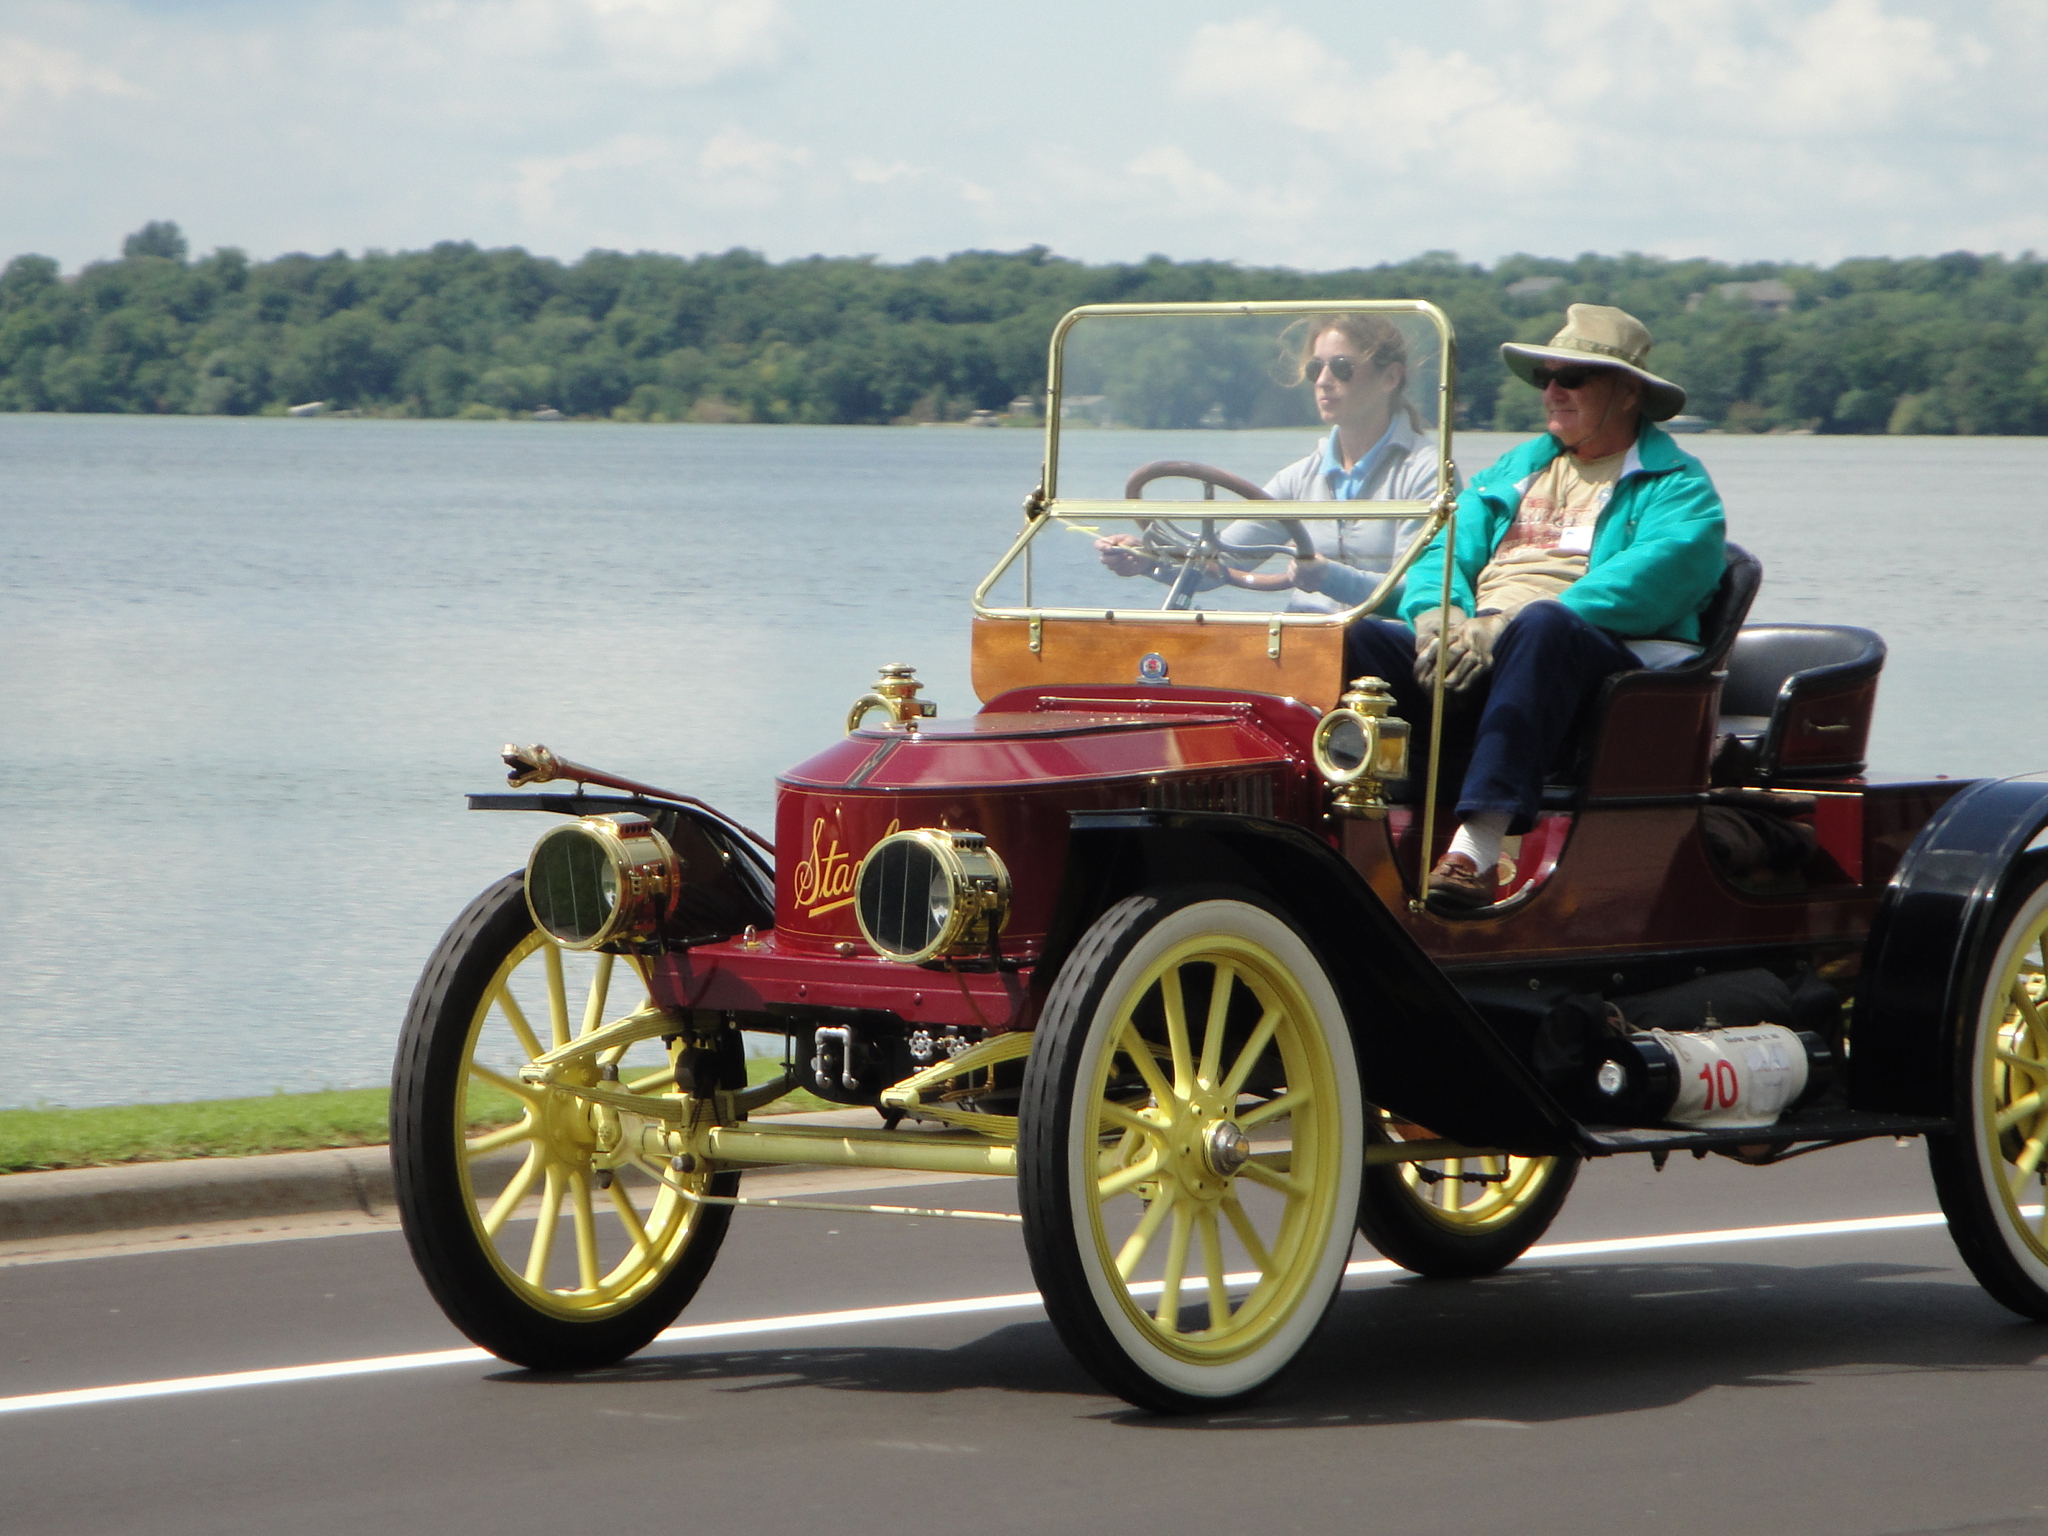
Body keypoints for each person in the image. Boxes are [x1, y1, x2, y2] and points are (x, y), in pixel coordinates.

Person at [1344, 304, 1727, 910]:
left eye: (1571, 378)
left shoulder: (1677, 485)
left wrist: (1502, 627)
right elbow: (1444, 547)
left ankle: (1476, 851)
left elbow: (1660, 572)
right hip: (1478, 651)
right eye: (1545, 378)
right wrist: (1439, 615)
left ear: (1627, 392)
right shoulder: (1517, 468)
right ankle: (1345, 826)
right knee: (1357, 638)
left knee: (1544, 624)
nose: (1551, 392)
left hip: (1588, 668)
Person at [1095, 314, 1441, 612]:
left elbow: (1420, 593)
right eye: (1315, 368)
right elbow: (1220, 564)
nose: (1322, 380)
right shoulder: (1300, 477)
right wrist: (1146, 560)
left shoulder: (1427, 473)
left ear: (1390, 378)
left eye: (1341, 368)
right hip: (1307, 647)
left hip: (1384, 654)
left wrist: (1328, 576)